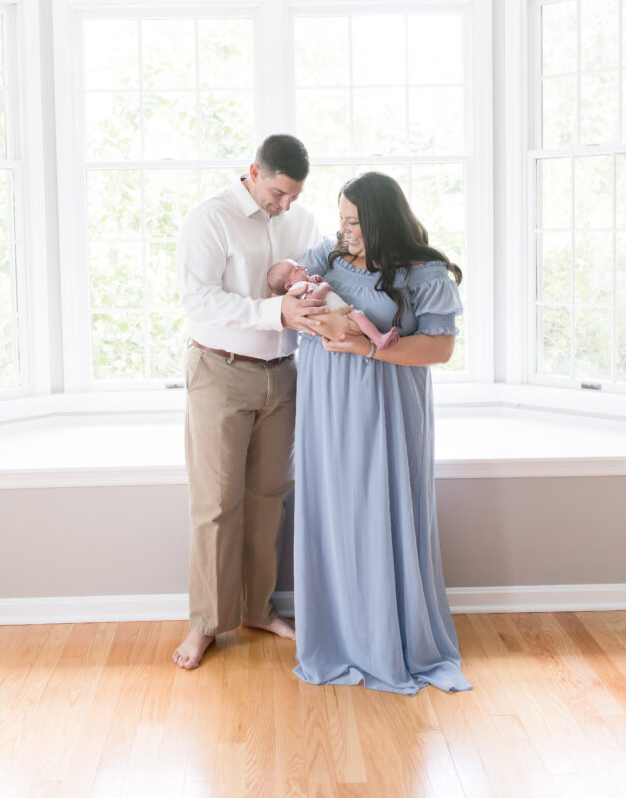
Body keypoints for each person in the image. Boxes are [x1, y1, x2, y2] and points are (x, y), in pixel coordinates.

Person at [293, 171, 472, 694]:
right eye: (342, 218)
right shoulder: (329, 255)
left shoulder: (424, 272)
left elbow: (439, 349)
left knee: (377, 510)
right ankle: (338, 637)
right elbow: (292, 296)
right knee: (334, 514)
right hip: (325, 408)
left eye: (355, 222)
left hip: (384, 409)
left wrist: (369, 347)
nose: (345, 230)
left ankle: (383, 638)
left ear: (381, 220)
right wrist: (312, 315)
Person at [174, 135, 324, 670]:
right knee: (216, 504)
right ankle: (206, 624)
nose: (286, 205)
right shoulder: (210, 219)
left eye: (295, 196)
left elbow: (319, 279)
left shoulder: (299, 221)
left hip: (283, 376)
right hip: (220, 371)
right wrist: (274, 312)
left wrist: (306, 282)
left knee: (267, 497)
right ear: (254, 171)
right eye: (280, 193)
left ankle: (258, 607)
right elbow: (198, 299)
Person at [267, 259, 399, 350]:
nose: (302, 266)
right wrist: (324, 286)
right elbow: (311, 300)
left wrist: (320, 282)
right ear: (289, 285)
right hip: (337, 314)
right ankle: (378, 339)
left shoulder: (305, 284)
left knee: (358, 318)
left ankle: (377, 339)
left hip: (339, 313)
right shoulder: (299, 287)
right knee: (358, 317)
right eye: (296, 269)